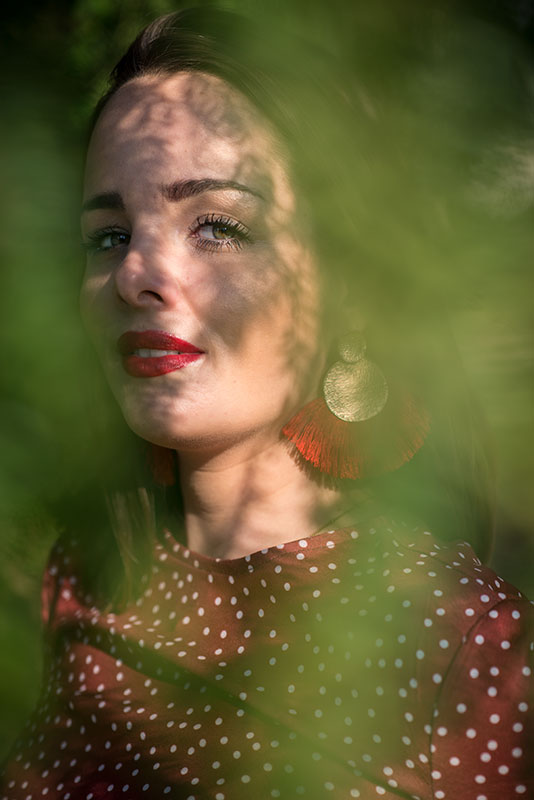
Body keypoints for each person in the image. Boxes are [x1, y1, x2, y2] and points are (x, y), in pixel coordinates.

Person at [1, 4, 532, 799]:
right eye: (109, 236)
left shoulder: (470, 644)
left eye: (217, 226)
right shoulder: (91, 574)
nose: (136, 273)